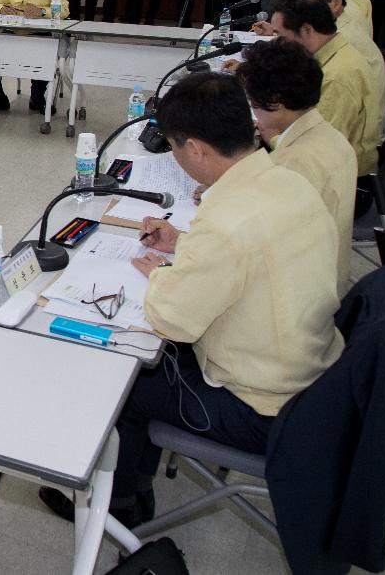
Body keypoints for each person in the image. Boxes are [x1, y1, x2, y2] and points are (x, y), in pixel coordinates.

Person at [40, 71, 342, 529]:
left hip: (261, 408)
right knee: (153, 365)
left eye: (176, 148)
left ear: (197, 148)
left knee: (126, 376)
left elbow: (174, 320)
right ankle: (134, 484)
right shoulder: (285, 180)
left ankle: (120, 505)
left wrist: (163, 273)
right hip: (315, 378)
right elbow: (254, 252)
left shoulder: (226, 219)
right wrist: (183, 243)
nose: (177, 158)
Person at [236, 39, 356, 292]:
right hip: (328, 271)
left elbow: (251, 246)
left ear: (276, 102)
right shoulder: (331, 136)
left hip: (302, 292)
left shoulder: (292, 163)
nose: (253, 111)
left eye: (253, 102)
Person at [269, 0, 381, 177]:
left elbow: (319, 150)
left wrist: (272, 136)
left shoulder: (338, 77)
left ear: (306, 30)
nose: (276, 42)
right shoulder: (333, 52)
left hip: (344, 177)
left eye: (279, 35)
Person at [291, 0, 385, 124]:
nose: (304, 10)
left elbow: (324, 130)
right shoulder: (338, 21)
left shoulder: (340, 35)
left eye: (313, 3)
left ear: (335, 2)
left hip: (353, 131)